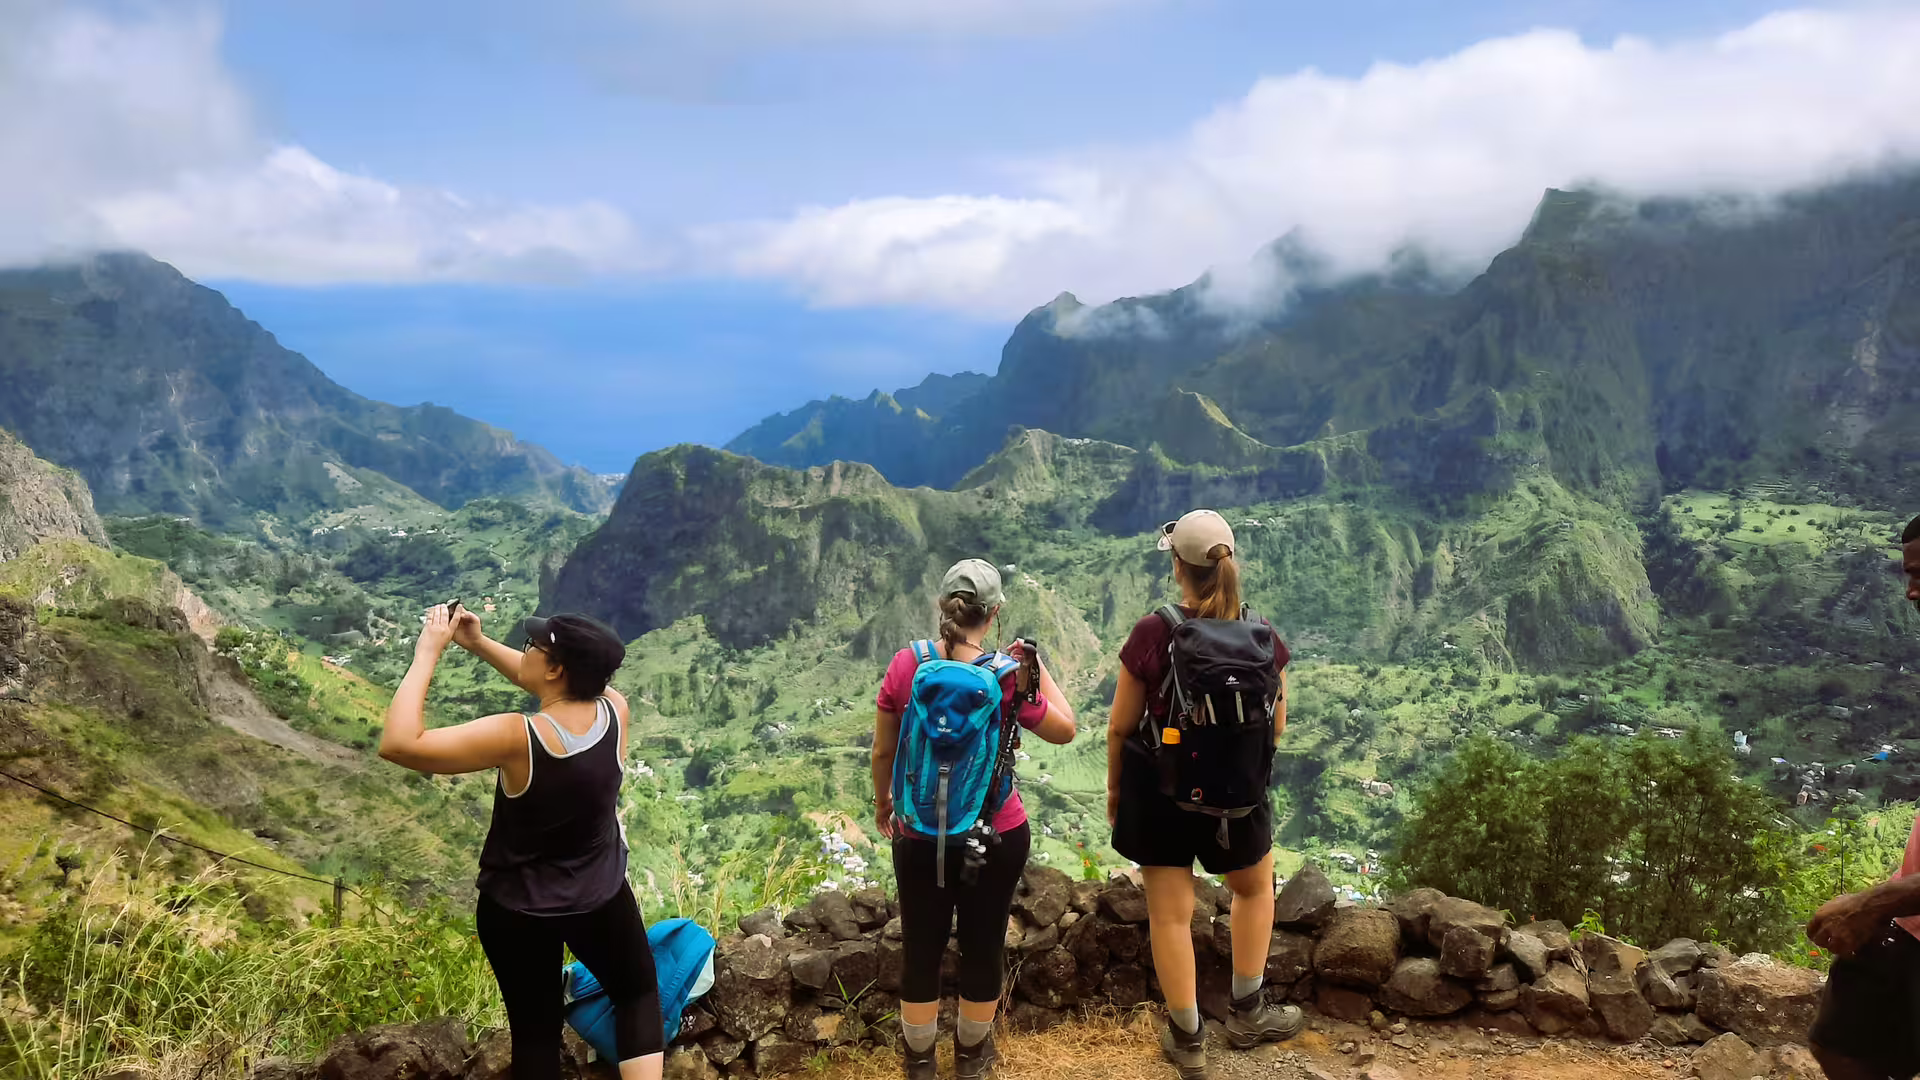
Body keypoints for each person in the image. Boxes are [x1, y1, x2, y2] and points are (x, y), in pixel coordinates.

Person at [380, 605, 664, 1080]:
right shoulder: (616, 709)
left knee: (536, 1032)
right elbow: (549, 685)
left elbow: (400, 743)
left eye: (534, 646)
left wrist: (429, 651)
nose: (525, 650)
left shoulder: (518, 737)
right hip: (600, 892)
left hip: (518, 910)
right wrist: (477, 643)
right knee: (635, 993)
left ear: (555, 668)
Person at [1105, 511, 1302, 1080]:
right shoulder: (1262, 634)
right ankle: (1247, 1010)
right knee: (1254, 889)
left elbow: (1121, 725)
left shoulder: (1154, 630)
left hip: (1160, 792)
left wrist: (1118, 791)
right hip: (1238, 792)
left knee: (1170, 916)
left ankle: (1188, 1040)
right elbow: (1277, 726)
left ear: (1178, 568)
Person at [871, 560, 1078, 1080]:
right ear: (995, 613)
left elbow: (882, 751)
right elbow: (1065, 729)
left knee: (922, 944)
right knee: (983, 943)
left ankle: (919, 1062)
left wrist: (885, 805)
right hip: (995, 832)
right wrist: (1035, 666)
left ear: (942, 606)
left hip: (918, 831)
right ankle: (971, 1057)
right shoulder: (1005, 677)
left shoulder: (906, 665)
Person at [1805, 515, 1920, 1080]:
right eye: (1908, 574)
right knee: (1842, 1042)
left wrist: (1878, 903)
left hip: (1902, 910)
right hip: (1913, 924)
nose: (1911, 590)